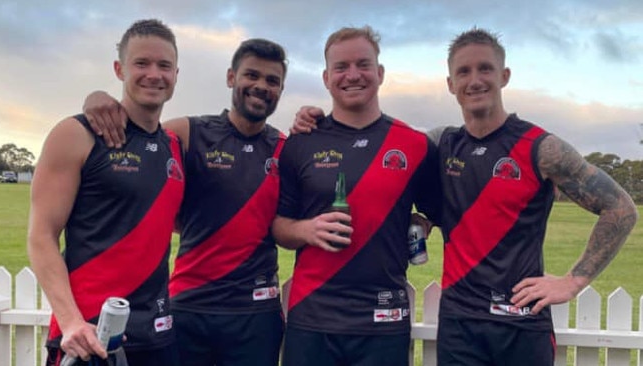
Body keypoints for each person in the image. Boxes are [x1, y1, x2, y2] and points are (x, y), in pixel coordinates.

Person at [432, 28, 638, 366]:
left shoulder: (542, 148)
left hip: (522, 323)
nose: (475, 80)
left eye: (485, 68)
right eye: (463, 72)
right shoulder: (442, 143)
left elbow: (621, 208)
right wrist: (316, 123)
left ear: (504, 76)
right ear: (451, 83)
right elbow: (385, 158)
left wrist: (574, 281)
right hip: (459, 325)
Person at [82, 38, 288, 366]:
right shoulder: (189, 132)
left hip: (256, 313)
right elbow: (138, 133)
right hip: (189, 306)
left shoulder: (283, 148)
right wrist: (98, 99)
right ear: (231, 77)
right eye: (252, 75)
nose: (260, 86)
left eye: (272, 80)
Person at [271, 26, 441, 366]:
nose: (353, 75)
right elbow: (277, 226)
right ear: (326, 77)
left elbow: (439, 208)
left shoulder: (415, 145)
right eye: (341, 67)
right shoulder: (300, 144)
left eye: (363, 65)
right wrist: (307, 231)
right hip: (312, 318)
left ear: (379, 73)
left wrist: (420, 223)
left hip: (384, 319)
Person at [27, 19, 184, 366]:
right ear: (119, 69)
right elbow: (41, 236)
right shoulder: (75, 134)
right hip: (86, 337)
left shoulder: (175, 146)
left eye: (164, 65)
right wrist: (69, 321)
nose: (154, 74)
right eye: (141, 63)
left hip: (157, 335)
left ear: (176, 74)